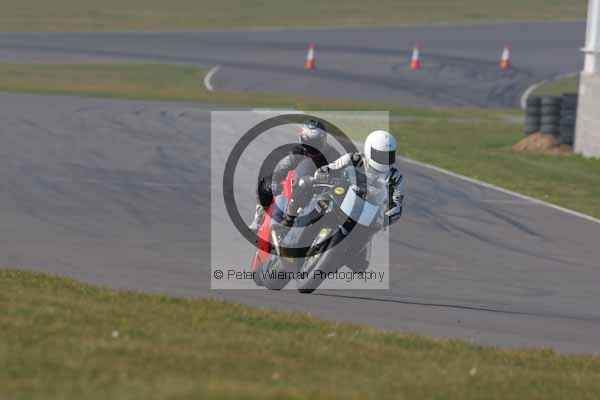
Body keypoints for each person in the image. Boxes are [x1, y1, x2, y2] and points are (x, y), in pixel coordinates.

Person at [313, 130, 405, 270]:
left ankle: (343, 256)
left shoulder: (395, 177)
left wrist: (389, 215)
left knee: (360, 263)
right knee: (318, 202)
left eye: (388, 156)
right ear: (369, 150)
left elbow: (397, 203)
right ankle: (299, 225)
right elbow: (330, 168)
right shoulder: (354, 159)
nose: (384, 160)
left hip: (367, 214)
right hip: (340, 199)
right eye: (380, 155)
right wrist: (322, 173)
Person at [248, 119, 337, 233]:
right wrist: (275, 181)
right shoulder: (297, 151)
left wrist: (334, 179)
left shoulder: (332, 154)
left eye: (315, 142)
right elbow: (283, 167)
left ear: (323, 140)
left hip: (321, 190)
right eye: (308, 142)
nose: (312, 146)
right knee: (265, 183)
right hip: (298, 184)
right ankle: (260, 215)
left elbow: (342, 172)